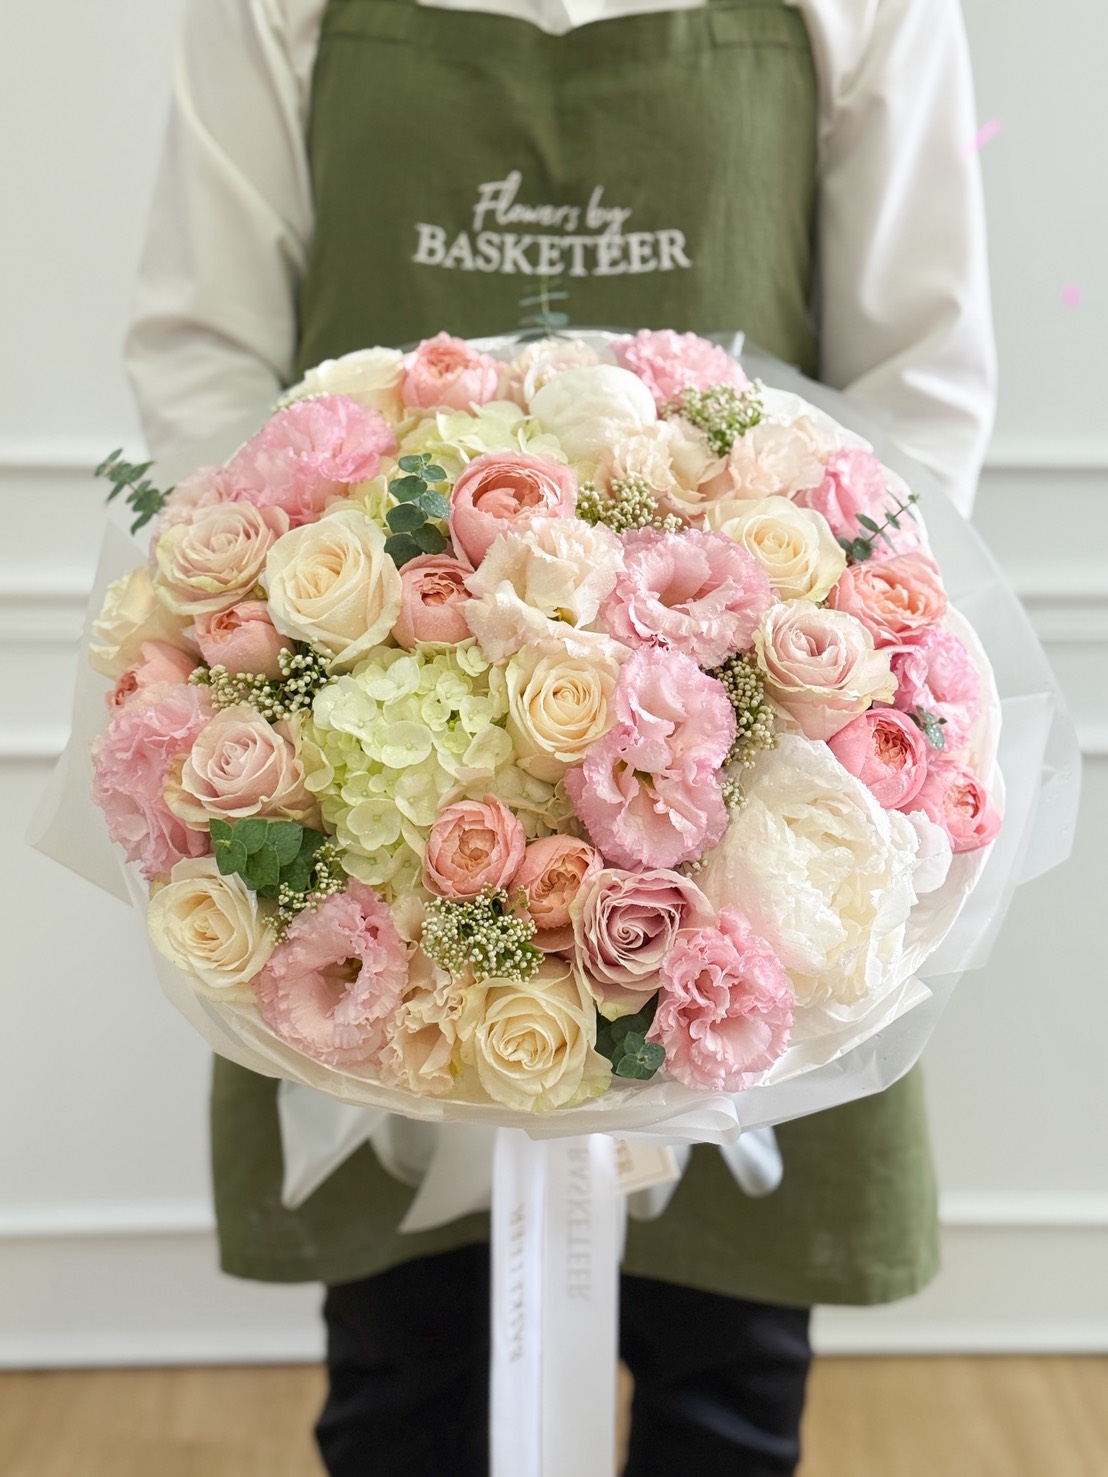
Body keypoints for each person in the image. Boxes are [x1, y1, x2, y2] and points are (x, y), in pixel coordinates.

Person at [125, 1, 996, 1472]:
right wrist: (293, 618)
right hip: (373, 799)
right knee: (406, 1372)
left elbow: (920, 374)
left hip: (744, 797)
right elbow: (204, 352)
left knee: (729, 1378)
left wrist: (807, 659)